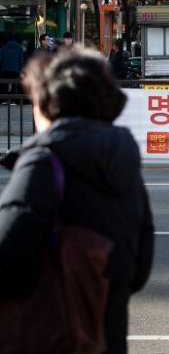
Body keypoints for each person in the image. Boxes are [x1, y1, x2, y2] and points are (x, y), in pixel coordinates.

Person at [0, 48, 154, 352]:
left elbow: (8, 257)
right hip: (106, 334)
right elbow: (139, 266)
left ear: (47, 101)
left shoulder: (44, 162)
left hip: (49, 334)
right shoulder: (124, 161)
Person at [0, 33, 25, 100]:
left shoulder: (4, 47)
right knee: (14, 84)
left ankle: (4, 99)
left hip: (5, 68)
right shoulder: (19, 47)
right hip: (16, 69)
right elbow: (21, 60)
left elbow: (1, 59)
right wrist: (21, 70)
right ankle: (13, 100)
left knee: (5, 84)